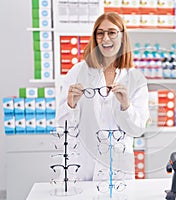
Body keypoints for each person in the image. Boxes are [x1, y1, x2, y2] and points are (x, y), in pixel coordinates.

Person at [55, 12, 150, 182]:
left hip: (118, 164)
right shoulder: (77, 72)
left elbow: (138, 129)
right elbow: (63, 125)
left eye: (112, 32)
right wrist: (70, 105)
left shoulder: (135, 78)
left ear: (122, 37)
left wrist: (126, 106)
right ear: (95, 38)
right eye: (100, 33)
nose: (106, 38)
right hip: (83, 162)